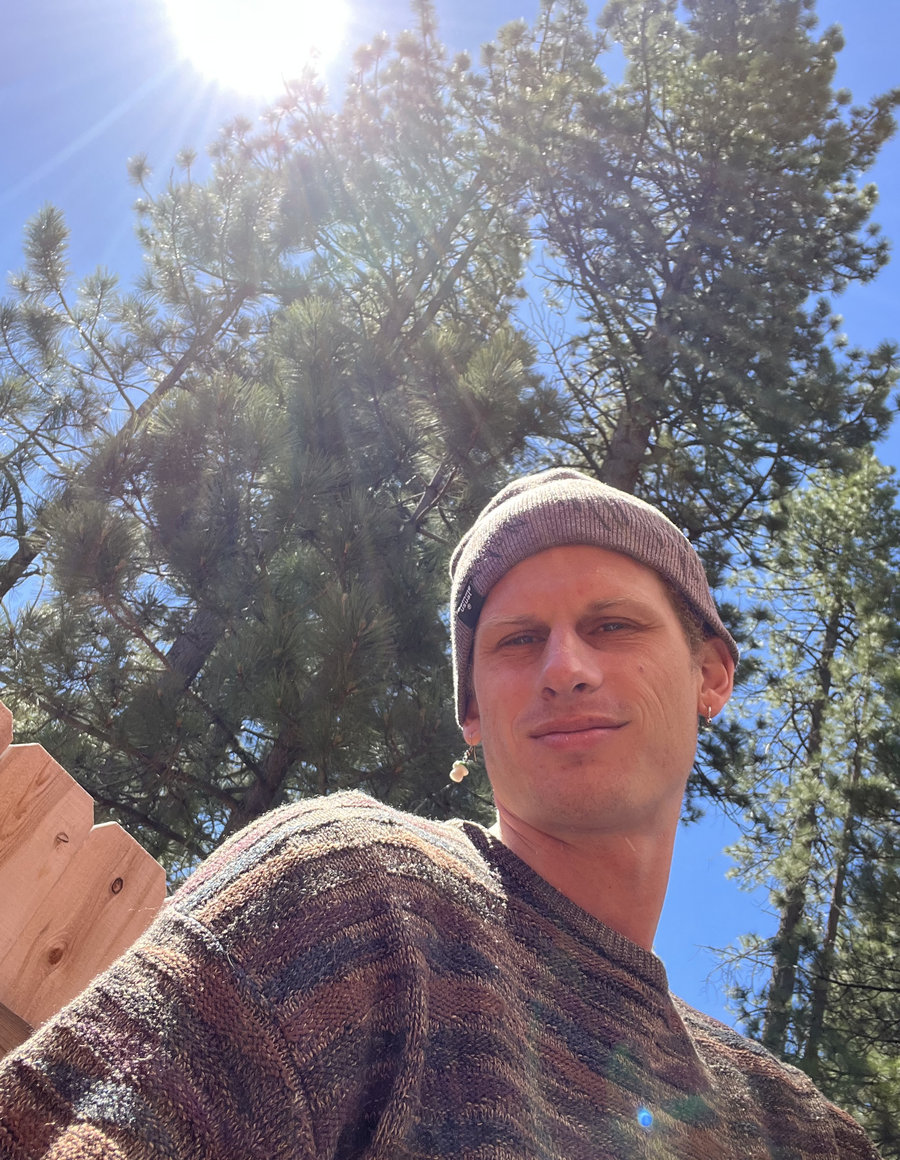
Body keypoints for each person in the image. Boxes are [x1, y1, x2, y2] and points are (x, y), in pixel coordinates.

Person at [0, 469, 880, 1159]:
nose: (565, 669)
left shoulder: (800, 1131)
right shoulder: (351, 894)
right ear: (473, 714)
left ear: (711, 675)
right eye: (518, 640)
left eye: (613, 626)